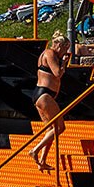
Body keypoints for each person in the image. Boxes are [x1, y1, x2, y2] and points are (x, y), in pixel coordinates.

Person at [30, 34, 71, 171]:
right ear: (59, 45)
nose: (65, 52)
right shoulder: (49, 53)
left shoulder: (50, 54)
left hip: (43, 95)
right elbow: (57, 73)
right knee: (60, 127)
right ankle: (35, 150)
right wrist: (63, 62)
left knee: (50, 130)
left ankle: (42, 161)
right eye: (65, 49)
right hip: (44, 94)